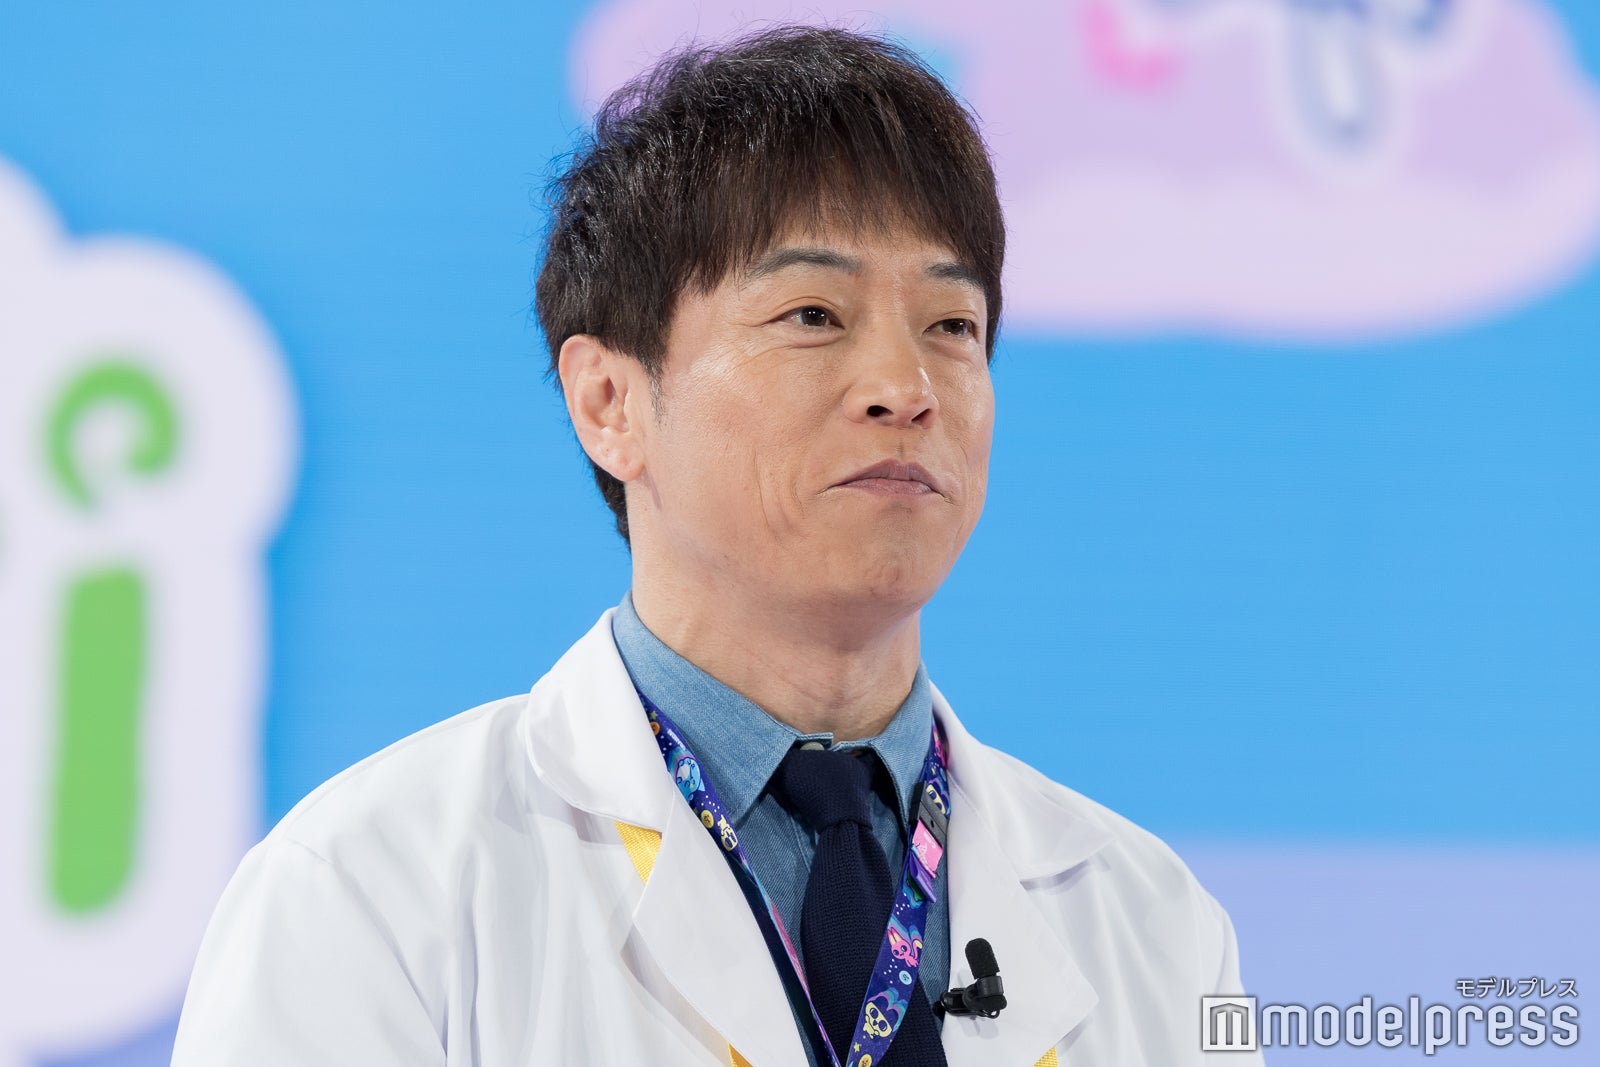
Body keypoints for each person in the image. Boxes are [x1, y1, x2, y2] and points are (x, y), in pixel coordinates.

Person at [172, 25, 1260, 1067]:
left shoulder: (1155, 925)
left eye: (951, 325)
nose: (906, 388)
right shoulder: (371, 892)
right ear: (609, 401)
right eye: (813, 315)